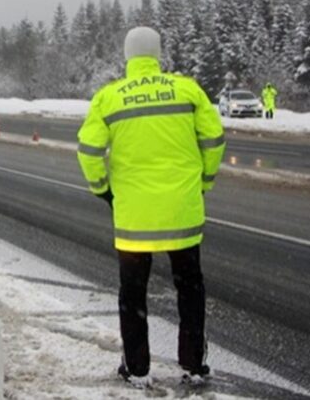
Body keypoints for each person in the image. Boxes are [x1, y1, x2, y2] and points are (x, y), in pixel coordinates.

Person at [76, 27, 225, 388]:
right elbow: (214, 139)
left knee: (132, 294)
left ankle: (137, 368)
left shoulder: (109, 97)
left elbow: (89, 150)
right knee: (190, 287)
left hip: (134, 221)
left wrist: (104, 191)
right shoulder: (186, 89)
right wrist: (203, 182)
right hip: (182, 213)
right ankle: (192, 363)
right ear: (158, 54)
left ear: (128, 56)